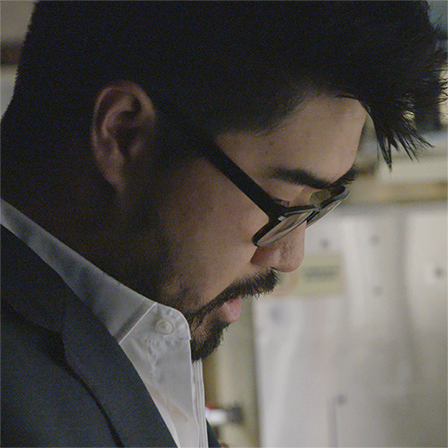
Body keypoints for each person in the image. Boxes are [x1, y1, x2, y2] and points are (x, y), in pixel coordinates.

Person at [1, 1, 445, 447]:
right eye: (279, 202)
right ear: (124, 134)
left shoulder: (131, 340)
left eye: (315, 205)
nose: (288, 257)